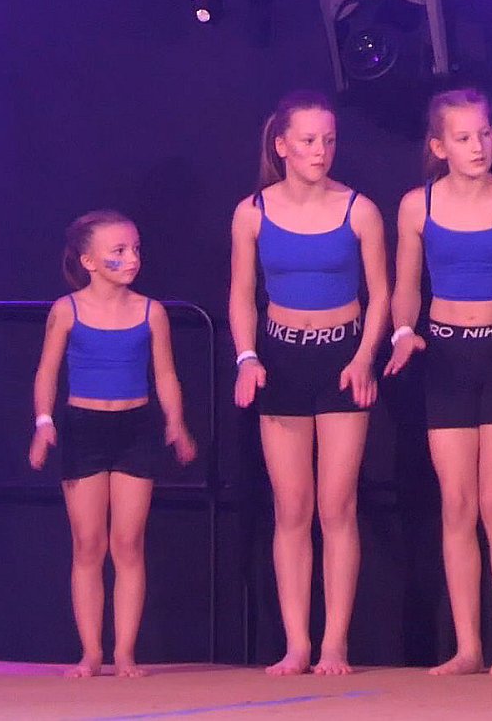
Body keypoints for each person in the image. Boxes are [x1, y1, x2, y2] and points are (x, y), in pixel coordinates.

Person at [384, 89, 492, 675]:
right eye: (463, 138)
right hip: (446, 358)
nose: (478, 146)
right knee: (457, 504)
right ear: (439, 147)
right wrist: (403, 331)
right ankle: (467, 646)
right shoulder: (416, 206)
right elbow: (406, 286)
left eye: (484, 134)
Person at [229, 91, 387, 675]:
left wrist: (365, 357)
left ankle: (334, 642)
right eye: (308, 140)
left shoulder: (359, 210)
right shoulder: (252, 212)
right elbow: (242, 294)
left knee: (336, 506)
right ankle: (297, 642)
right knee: (291, 508)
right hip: (281, 359)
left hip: (342, 359)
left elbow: (381, 294)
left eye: (329, 140)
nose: (320, 150)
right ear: (282, 145)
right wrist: (247, 357)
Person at [31, 210, 196, 678]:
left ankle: (124, 651)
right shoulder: (67, 310)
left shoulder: (150, 311)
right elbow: (47, 371)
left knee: (128, 543)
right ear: (88, 260)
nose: (132, 258)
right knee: (88, 544)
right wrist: (44, 422)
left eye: (136, 249)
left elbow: (165, 373)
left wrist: (176, 423)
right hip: (83, 428)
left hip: (135, 429)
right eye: (119, 251)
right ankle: (91, 652)